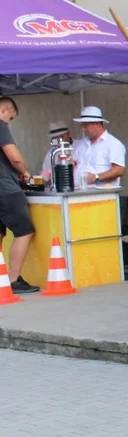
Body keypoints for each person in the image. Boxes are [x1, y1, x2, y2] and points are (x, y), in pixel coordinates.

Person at [0, 96, 39, 294]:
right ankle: (13, 279)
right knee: (24, 231)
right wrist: (25, 172)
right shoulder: (0, 126)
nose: (9, 122)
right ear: (4, 111)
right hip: (5, 188)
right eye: (11, 118)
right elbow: (14, 158)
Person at [72, 106, 126, 188]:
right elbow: (73, 162)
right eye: (82, 125)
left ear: (96, 123)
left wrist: (96, 177)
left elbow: (119, 170)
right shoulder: (81, 143)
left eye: (85, 125)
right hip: (79, 192)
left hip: (102, 194)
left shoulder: (113, 144)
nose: (83, 129)